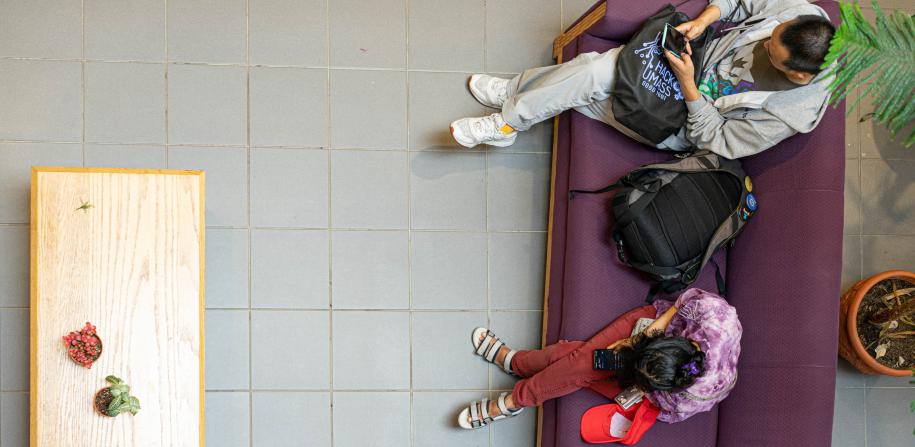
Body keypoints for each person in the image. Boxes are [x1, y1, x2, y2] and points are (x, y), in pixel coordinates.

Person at [449, 0, 836, 159]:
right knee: (594, 72)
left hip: (681, 120)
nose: (764, 43)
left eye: (770, 52)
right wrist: (705, 21)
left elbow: (715, 140)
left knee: (591, 76)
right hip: (688, 60)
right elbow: (743, 1)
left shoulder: (789, 113)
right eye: (769, 35)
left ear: (797, 74)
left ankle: (514, 103)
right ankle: (510, 116)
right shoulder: (806, 17)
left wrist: (688, 86)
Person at [457, 288, 741, 429]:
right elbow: (684, 301)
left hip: (651, 388)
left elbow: (660, 403)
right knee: (581, 361)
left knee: (581, 363)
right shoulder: (716, 318)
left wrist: (639, 378)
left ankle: (516, 381)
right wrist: (633, 342)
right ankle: (514, 384)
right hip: (656, 324)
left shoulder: (684, 397)